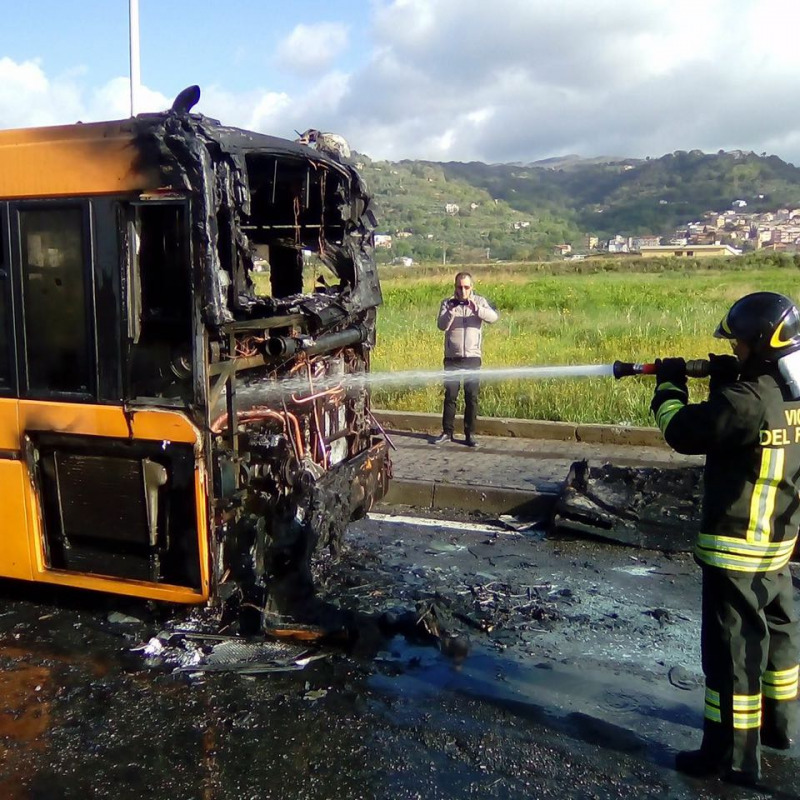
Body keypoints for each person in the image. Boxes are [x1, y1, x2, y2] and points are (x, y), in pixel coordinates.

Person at [650, 291, 800, 787]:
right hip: (778, 543)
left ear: (760, 343)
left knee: (732, 653)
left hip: (738, 544)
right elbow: (756, 422)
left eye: (737, 343)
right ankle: (780, 728)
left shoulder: (747, 399)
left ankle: (729, 757)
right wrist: (726, 377)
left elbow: (684, 432)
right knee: (778, 638)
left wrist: (669, 387)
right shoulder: (788, 393)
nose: (732, 348)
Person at [433, 272, 498, 447]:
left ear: (472, 288)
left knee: (471, 397)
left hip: (472, 357)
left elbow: (493, 318)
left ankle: (470, 434)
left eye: (466, 287)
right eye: (459, 287)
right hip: (452, 358)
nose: (463, 291)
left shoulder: (480, 301)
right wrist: (452, 311)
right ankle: (447, 432)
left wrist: (476, 308)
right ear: (455, 287)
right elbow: (441, 325)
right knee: (451, 396)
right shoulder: (447, 303)